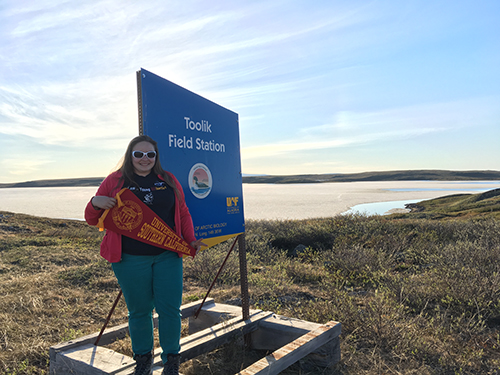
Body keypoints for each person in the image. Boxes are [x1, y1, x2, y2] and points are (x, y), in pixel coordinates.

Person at [85, 135, 205, 375]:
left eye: (150, 154)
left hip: (167, 256)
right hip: (129, 258)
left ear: (156, 157)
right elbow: (92, 218)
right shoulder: (115, 181)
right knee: (139, 311)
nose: (145, 159)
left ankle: (171, 360)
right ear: (130, 156)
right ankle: (143, 361)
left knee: (170, 310)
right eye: (138, 154)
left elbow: (183, 213)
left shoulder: (168, 180)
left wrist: (190, 239)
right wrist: (95, 202)